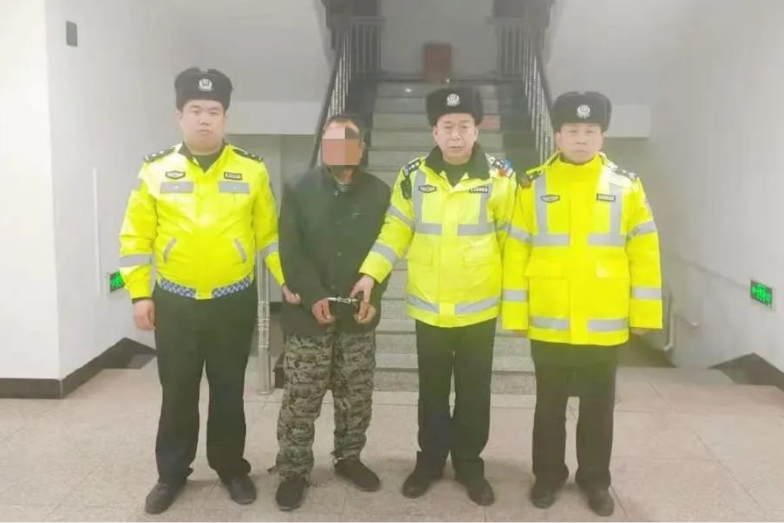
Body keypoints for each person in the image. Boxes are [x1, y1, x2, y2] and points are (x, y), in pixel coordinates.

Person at [118, 67, 301, 514]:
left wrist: (285, 280)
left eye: (214, 111)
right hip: (175, 301)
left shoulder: (251, 170)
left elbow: (268, 236)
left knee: (228, 390)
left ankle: (230, 467)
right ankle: (171, 473)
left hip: (232, 301)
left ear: (225, 117)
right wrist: (139, 294)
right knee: (177, 392)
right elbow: (135, 238)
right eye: (196, 110)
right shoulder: (156, 170)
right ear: (179, 115)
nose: (205, 119)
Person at [350, 87, 517, 506]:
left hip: (479, 308)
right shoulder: (413, 176)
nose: (455, 135)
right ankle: (429, 461)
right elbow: (395, 230)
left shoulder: (500, 177)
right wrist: (370, 273)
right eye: (447, 126)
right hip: (429, 307)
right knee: (432, 391)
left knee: (475, 393)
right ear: (434, 131)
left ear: (477, 130)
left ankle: (470, 464)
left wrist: (516, 301)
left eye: (464, 126)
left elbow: (512, 243)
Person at [501, 91, 662, 517]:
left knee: (598, 408)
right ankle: (548, 475)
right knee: (548, 406)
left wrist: (645, 312)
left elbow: (645, 253)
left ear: (602, 136)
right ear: (557, 136)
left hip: (603, 321)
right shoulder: (532, 186)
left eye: (590, 131)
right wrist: (515, 312)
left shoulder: (626, 187)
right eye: (572, 130)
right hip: (549, 319)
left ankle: (595, 479)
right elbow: (516, 252)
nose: (581, 138)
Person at [274, 113, 391, 511]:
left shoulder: (379, 193)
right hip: (308, 316)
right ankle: (293, 470)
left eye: (347, 141)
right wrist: (312, 295)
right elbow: (291, 249)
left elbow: (386, 249)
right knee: (301, 398)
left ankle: (349, 458)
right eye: (331, 142)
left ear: (361, 147)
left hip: (357, 315)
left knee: (356, 395)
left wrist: (374, 296)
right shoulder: (298, 188)